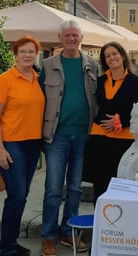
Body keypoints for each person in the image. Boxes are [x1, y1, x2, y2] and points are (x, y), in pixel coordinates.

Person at [39, 20, 98, 256]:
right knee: (54, 188)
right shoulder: (48, 65)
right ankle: (48, 236)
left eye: (75, 35)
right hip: (57, 136)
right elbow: (38, 100)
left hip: (83, 136)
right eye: (68, 35)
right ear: (60, 38)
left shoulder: (92, 65)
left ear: (81, 38)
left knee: (75, 189)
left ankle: (68, 231)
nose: (72, 39)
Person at [0, 36, 45, 256]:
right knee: (17, 195)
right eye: (23, 51)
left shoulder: (38, 80)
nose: (27, 55)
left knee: (21, 195)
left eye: (31, 51)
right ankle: (7, 248)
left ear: (37, 54)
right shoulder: (5, 79)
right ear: (16, 55)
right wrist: (0, 148)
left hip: (32, 144)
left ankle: (11, 243)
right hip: (11, 143)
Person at [82, 42, 138, 203]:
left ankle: (118, 216)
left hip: (123, 139)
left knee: (120, 182)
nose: (112, 58)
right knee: (100, 184)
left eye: (114, 54)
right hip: (99, 138)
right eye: (107, 56)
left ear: (122, 56)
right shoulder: (100, 81)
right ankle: (100, 216)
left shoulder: (136, 81)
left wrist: (120, 121)